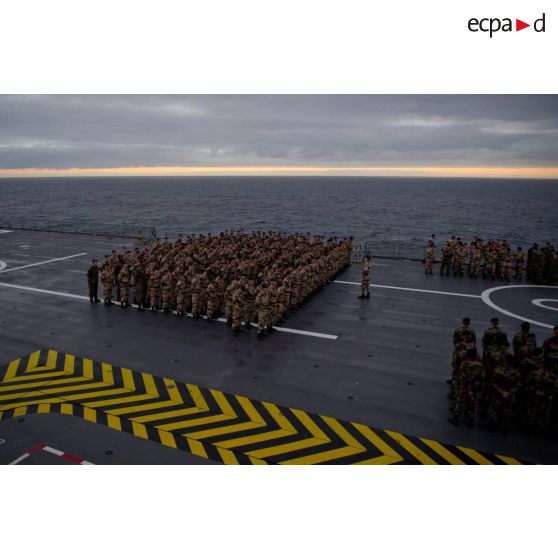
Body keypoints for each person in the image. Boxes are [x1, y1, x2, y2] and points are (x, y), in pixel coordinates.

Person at [449, 348, 484, 427]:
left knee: (460, 401)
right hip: (473, 387)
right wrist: (474, 386)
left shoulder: (464, 364)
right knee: (471, 403)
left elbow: (462, 376)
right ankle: (471, 421)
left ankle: (456, 418)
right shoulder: (480, 366)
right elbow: (482, 378)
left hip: (464, 386)